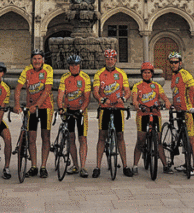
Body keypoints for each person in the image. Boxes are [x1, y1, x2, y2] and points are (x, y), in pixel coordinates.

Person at [13, 49, 54, 178]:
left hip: (45, 107)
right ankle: (34, 166)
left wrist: (37, 105)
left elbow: (47, 90)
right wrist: (17, 104)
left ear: (43, 60)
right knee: (31, 137)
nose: (37, 61)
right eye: (34, 59)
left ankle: (43, 166)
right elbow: (18, 88)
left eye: (39, 59)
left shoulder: (48, 69)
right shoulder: (27, 70)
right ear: (32, 60)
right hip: (31, 108)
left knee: (45, 136)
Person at [93, 48, 131, 177]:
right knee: (102, 136)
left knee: (120, 136)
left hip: (118, 108)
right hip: (105, 108)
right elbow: (95, 91)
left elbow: (127, 90)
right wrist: (100, 98)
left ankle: (125, 165)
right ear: (105, 60)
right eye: (108, 59)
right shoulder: (99, 74)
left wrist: (124, 98)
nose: (110, 61)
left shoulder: (121, 74)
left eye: (112, 59)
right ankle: (97, 166)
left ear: (115, 60)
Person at [56, 54, 92, 177]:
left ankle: (83, 166)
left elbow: (87, 98)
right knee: (71, 138)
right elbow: (60, 94)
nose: (74, 67)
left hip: (81, 112)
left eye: (76, 64)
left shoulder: (85, 77)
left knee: (82, 138)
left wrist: (81, 110)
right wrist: (60, 107)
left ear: (79, 65)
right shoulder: (65, 78)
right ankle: (75, 165)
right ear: (69, 66)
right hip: (69, 110)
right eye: (71, 65)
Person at [131, 62, 169, 171]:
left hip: (155, 113)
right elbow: (134, 99)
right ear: (142, 74)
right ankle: (135, 165)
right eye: (144, 73)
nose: (147, 75)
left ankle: (165, 165)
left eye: (149, 73)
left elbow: (163, 96)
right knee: (140, 140)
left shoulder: (156, 86)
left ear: (152, 74)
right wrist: (136, 104)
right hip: (142, 114)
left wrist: (166, 102)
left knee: (158, 140)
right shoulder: (137, 86)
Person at [166, 51, 194, 175]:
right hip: (179, 111)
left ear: (180, 63)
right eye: (171, 62)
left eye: (175, 62)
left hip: (187, 112)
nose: (173, 64)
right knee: (184, 139)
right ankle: (187, 163)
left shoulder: (185, 74)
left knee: (191, 139)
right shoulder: (174, 76)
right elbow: (177, 93)